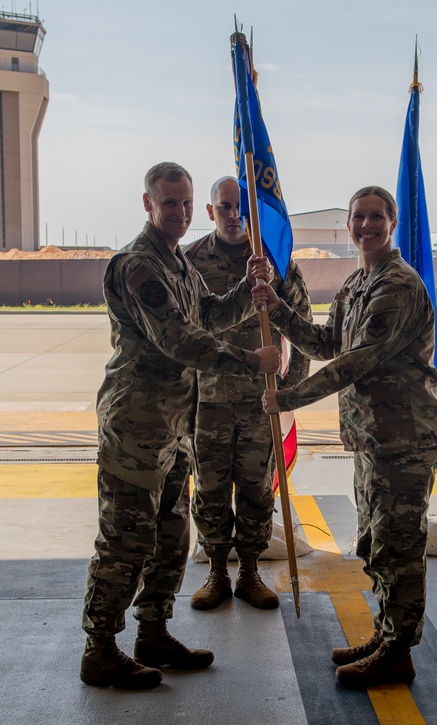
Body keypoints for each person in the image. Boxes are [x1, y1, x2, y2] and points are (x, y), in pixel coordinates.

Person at [81, 162, 279, 690]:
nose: (182, 213)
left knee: (170, 535)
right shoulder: (139, 265)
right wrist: (248, 361)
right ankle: (99, 648)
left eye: (188, 203)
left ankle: (153, 633)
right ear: (148, 203)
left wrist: (247, 291)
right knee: (126, 538)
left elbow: (206, 316)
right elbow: (178, 339)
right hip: (136, 425)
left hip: (173, 425)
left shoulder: (178, 265)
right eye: (171, 203)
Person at [251, 185, 437, 689]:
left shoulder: (395, 285)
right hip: (373, 438)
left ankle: (398, 651)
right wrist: (279, 307)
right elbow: (326, 341)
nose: (366, 225)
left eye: (376, 216)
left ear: (392, 222)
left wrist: (288, 399)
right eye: (359, 217)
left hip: (402, 439)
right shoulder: (357, 283)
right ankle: (386, 635)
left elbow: (357, 360)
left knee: (398, 546)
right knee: (376, 542)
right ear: (349, 226)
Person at [182, 177, 311, 611]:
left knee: (257, 490)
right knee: (211, 489)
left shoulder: (275, 258)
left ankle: (250, 571)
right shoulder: (191, 260)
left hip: (262, 400)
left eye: (242, 208)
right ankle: (218, 572)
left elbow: (302, 326)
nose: (234, 215)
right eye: (225, 207)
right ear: (210, 211)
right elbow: (180, 332)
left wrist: (289, 394)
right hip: (210, 401)